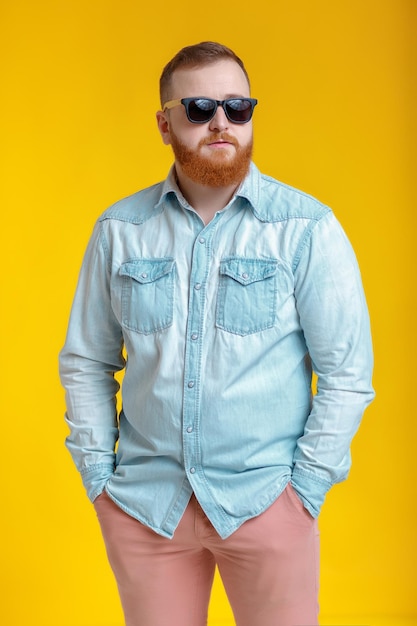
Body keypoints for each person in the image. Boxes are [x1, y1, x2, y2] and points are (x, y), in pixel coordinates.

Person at [59, 41, 375, 626]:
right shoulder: (120, 230)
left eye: (238, 107)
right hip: (146, 507)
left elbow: (347, 375)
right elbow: (86, 360)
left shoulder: (306, 228)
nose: (222, 122)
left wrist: (303, 491)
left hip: (266, 504)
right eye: (200, 108)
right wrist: (99, 479)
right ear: (165, 122)